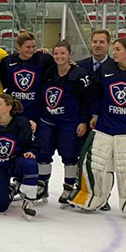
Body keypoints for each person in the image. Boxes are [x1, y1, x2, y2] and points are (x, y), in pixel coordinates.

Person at [72, 37, 126, 215]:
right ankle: (90, 197)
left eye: (118, 49)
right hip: (105, 125)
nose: (114, 52)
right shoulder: (107, 68)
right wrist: (95, 114)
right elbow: (96, 94)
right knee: (94, 164)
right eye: (114, 49)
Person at [37, 40, 92, 205]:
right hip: (48, 120)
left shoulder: (78, 74)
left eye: (62, 53)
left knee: (69, 155)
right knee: (44, 153)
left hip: (70, 122)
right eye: (56, 53)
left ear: (69, 55)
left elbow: (86, 100)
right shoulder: (48, 72)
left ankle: (69, 186)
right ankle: (42, 185)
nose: (59, 56)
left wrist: (83, 122)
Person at [0, 94, 40, 219]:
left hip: (14, 162)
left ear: (9, 107)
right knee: (0, 206)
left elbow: (31, 144)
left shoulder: (22, 122)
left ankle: (29, 201)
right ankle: (11, 190)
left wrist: (31, 151)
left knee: (30, 163)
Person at [0, 30, 52, 129]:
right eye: (28, 47)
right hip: (15, 111)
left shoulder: (43, 59)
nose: (31, 50)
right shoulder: (8, 61)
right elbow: (4, 82)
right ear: (19, 46)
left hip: (36, 110)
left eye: (33, 47)